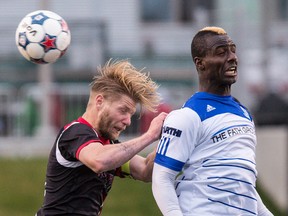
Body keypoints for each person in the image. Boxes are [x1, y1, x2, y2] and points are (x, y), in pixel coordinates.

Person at [152, 27, 273, 216]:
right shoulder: (187, 116)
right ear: (200, 63)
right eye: (221, 53)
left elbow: (241, 181)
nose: (232, 57)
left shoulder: (243, 113)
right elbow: (161, 178)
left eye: (233, 50)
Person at [36, 59, 167, 215]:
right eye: (123, 110)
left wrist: (169, 138)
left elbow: (145, 170)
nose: (128, 121)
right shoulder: (76, 132)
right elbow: (99, 161)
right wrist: (150, 135)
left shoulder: (107, 145)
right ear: (100, 102)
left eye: (131, 114)